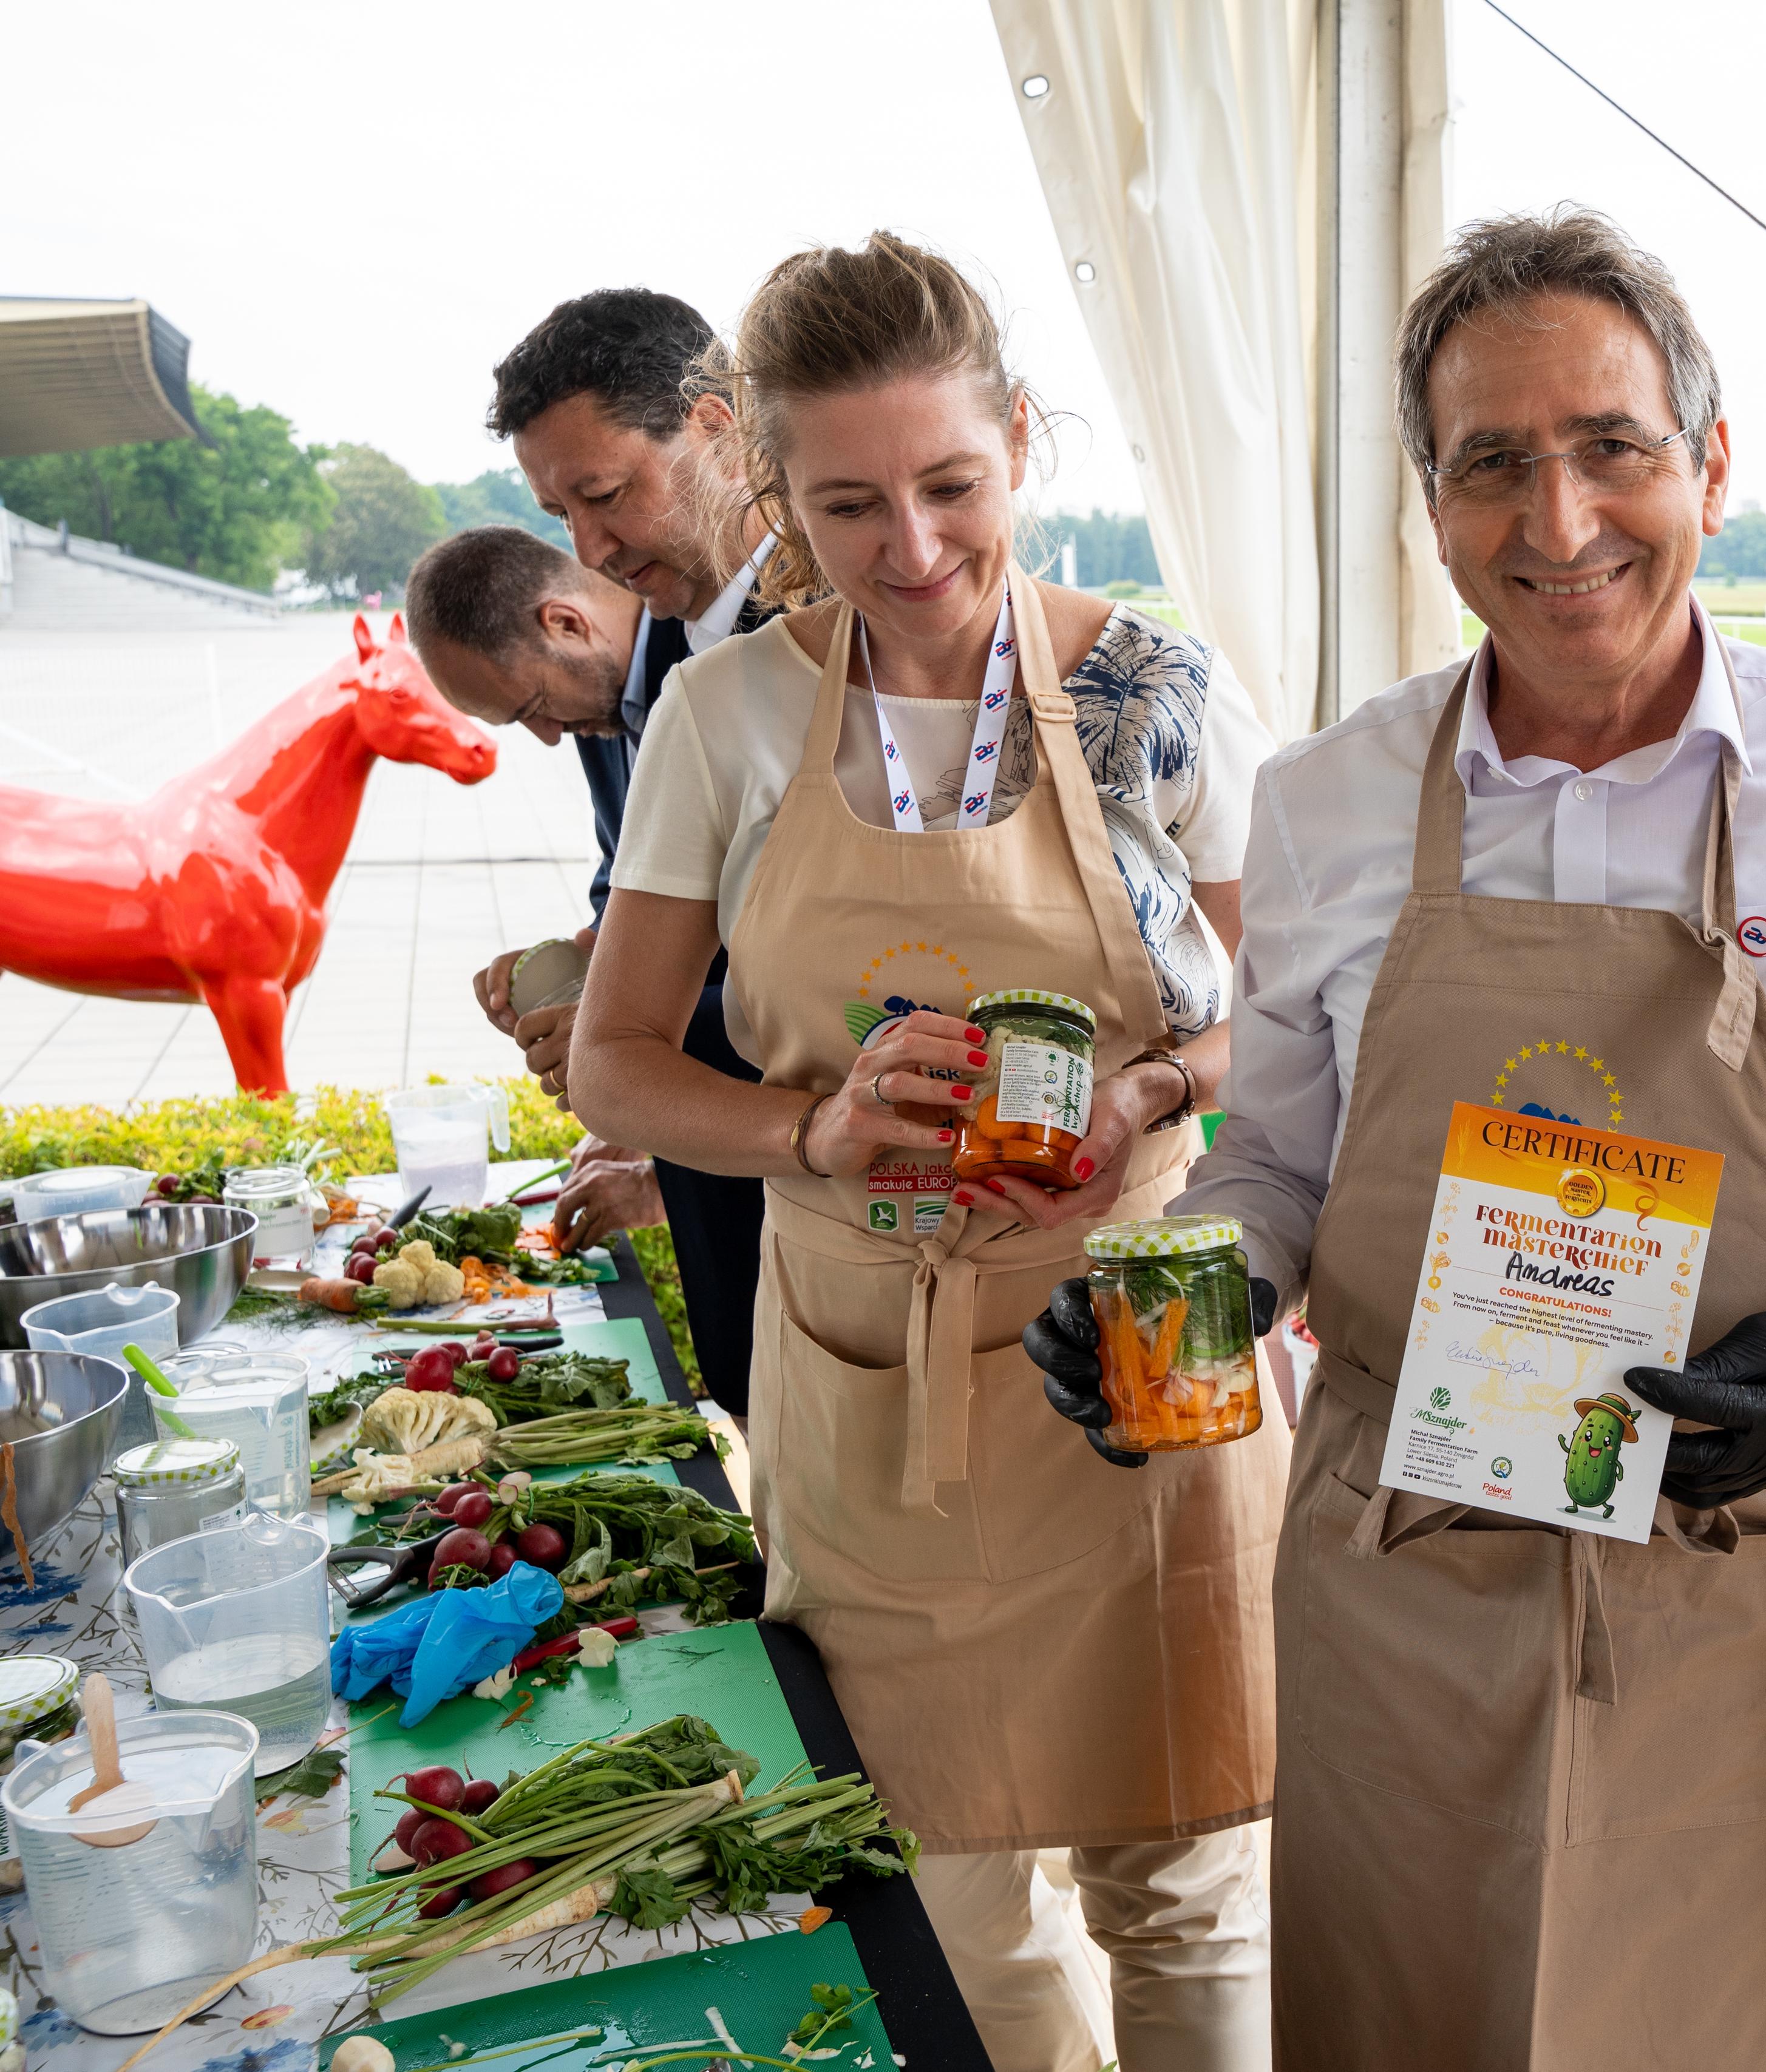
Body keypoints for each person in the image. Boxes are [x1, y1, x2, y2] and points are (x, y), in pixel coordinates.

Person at [1028, 208, 1766, 2071]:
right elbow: (1275, 1165)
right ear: (1432, 507)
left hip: (1750, 1573)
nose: (1557, 522)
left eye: (1610, 447)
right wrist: (1190, 1293)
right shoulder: (1326, 800)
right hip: (1406, 1575)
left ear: (1708, 466)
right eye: (1491, 462)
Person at [568, 232, 1282, 2072]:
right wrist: (804, 1125)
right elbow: (614, 1061)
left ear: (1021, 439)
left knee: (1184, 1875)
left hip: (1141, 1336)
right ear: (771, 488)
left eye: (952, 484)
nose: (912, 549)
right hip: (863, 1357)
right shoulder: (725, 714)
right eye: (848, 505)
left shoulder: (1159, 692)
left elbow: (1288, 1015)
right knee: (950, 1892)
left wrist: (1149, 1092)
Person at [479, 288, 783, 1410]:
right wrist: (597, 980)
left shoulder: (836, 638)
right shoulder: (661, 657)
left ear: (716, 426)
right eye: (560, 512)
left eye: (605, 496)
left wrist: (632, 1034)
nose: (589, 549)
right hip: (733, 1220)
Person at [406, 524, 671, 1254]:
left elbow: (763, 954)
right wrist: (573, 966)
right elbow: (626, 887)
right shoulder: (603, 706)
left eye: (532, 707)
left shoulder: (714, 667)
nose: (551, 736)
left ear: (566, 623)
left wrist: (663, 1171)